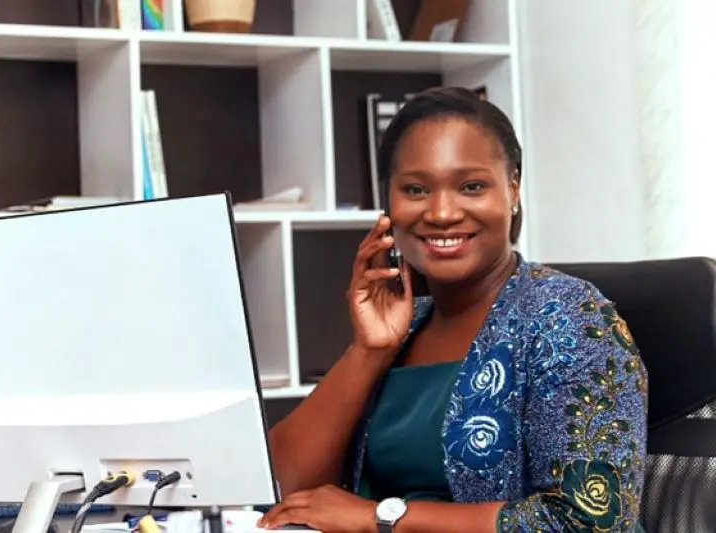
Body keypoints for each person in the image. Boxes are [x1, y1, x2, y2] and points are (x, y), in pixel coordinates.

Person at [258, 86, 648, 532]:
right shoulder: (406, 326)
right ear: (388, 202)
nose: (442, 212)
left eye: (472, 186)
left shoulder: (569, 319)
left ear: (513, 189)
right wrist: (369, 351)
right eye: (416, 189)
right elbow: (280, 491)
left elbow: (589, 523)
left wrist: (379, 518)